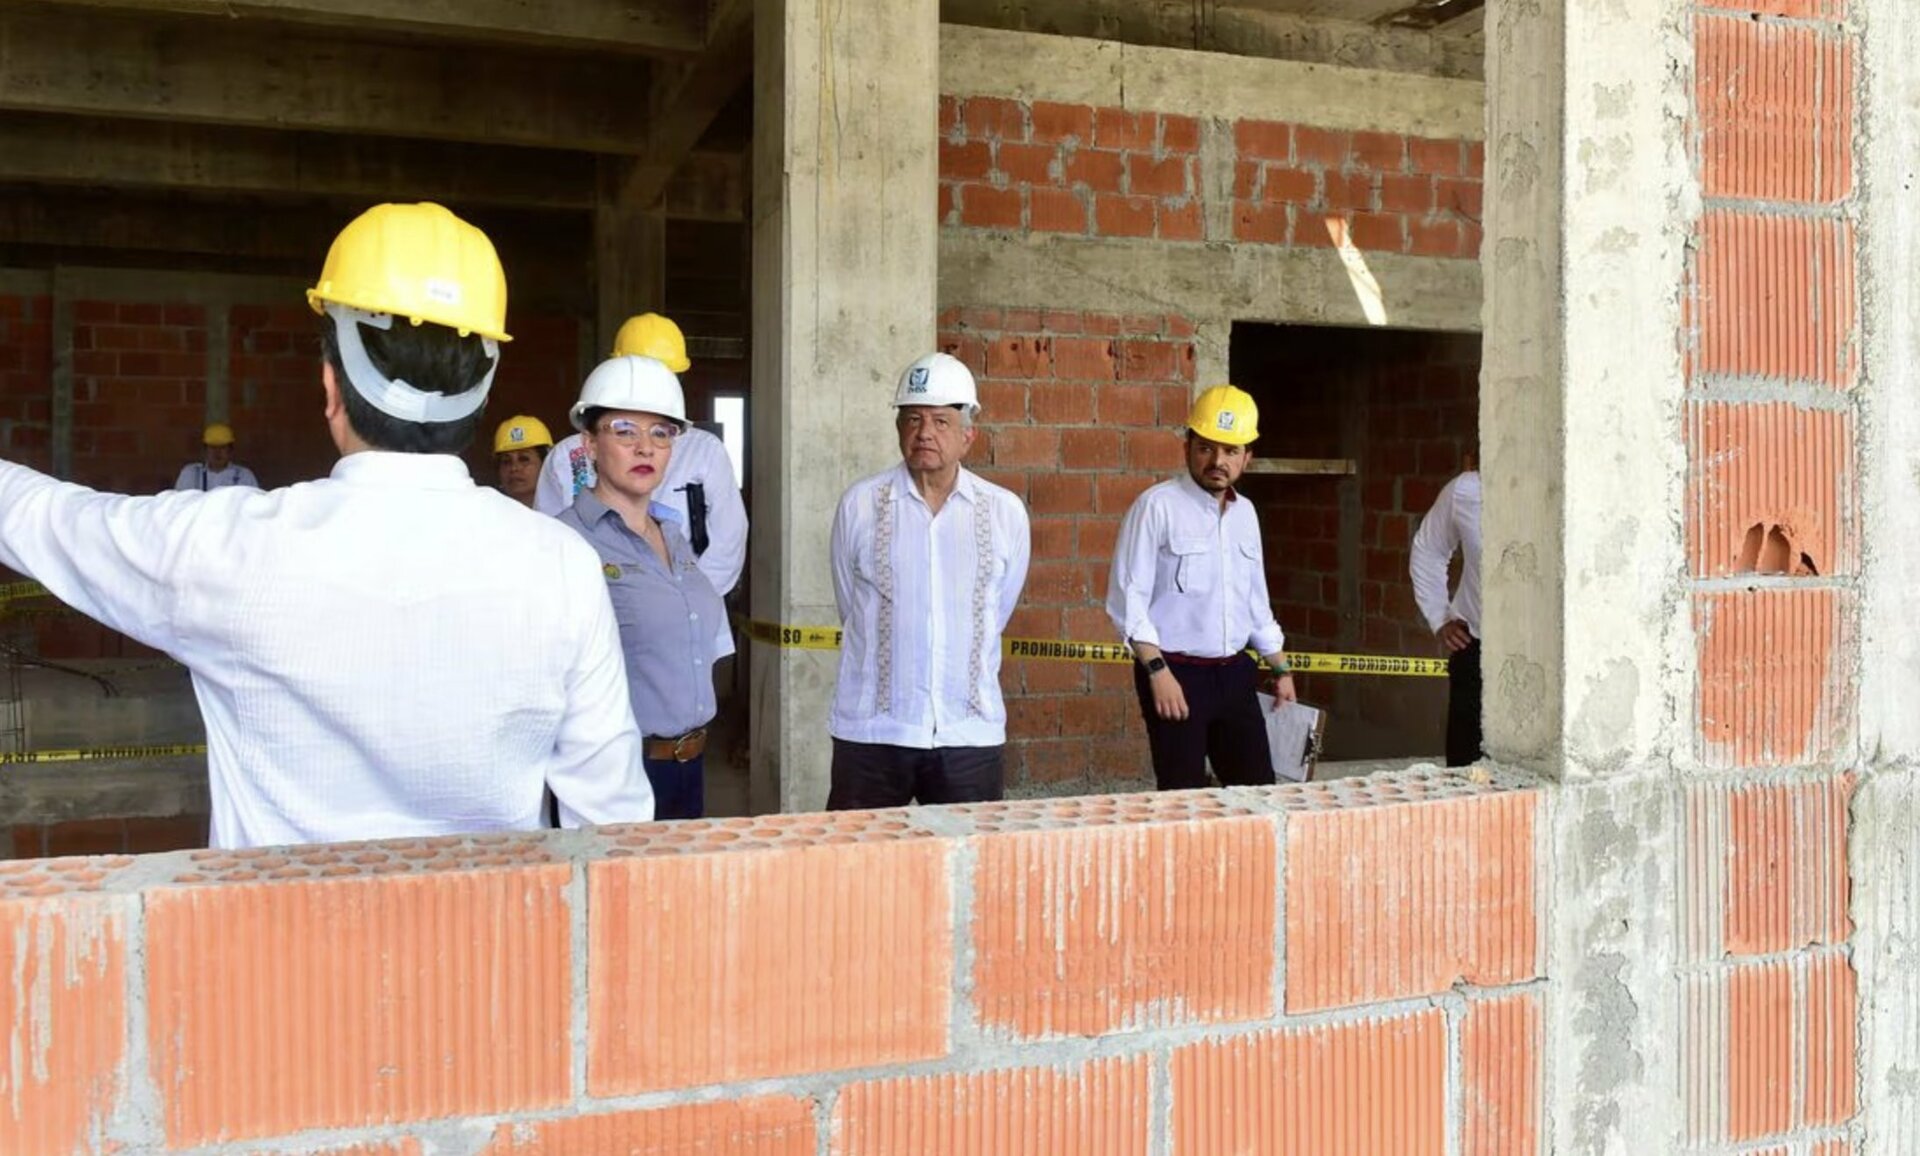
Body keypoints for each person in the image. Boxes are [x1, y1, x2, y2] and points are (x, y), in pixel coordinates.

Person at [0, 201, 654, 849]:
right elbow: (611, 823)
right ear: (483, 389)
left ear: (331, 387)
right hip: (492, 921)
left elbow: (39, 517)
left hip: (277, 920)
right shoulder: (562, 565)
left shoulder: (231, 547)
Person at [826, 352, 1030, 809]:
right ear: (899, 427)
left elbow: (996, 611)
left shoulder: (1003, 513)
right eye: (913, 419)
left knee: (966, 854)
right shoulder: (861, 505)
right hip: (873, 733)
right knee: (862, 853)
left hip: (968, 735)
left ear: (968, 435)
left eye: (941, 421)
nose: (925, 433)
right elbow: (850, 606)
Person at [555, 355, 731, 820]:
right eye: (624, 431)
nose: (645, 448)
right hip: (615, 775)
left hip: (689, 768)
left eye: (661, 433)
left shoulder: (673, 535)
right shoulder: (566, 541)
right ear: (589, 444)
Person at [1106, 385, 1295, 791]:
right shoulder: (1156, 506)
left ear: (1247, 457)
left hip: (1235, 673)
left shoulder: (1246, 514)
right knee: (1183, 796)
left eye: (1230, 451)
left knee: (1258, 794)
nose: (1217, 461)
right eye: (1206, 448)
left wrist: (1280, 668)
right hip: (1175, 674)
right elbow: (1127, 601)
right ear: (1187, 447)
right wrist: (1157, 672)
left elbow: (1256, 603)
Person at [535, 313, 747, 597]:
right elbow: (548, 544)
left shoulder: (705, 451)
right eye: (625, 431)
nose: (645, 448)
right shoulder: (566, 457)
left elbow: (728, 539)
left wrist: (690, 601)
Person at [1409, 459, 1483, 766]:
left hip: (1546, 659)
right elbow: (1429, 549)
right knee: (1466, 772)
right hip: (1476, 651)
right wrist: (1439, 616)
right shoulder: (1467, 490)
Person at [173, 423, 258, 491]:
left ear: (230, 450)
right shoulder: (190, 474)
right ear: (205, 450)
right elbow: (180, 502)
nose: (217, 452)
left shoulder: (244, 476)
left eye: (222, 447)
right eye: (213, 447)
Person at [493, 414, 552, 508]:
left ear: (546, 463)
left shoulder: (568, 512)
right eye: (506, 461)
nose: (514, 468)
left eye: (524, 459)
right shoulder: (487, 513)